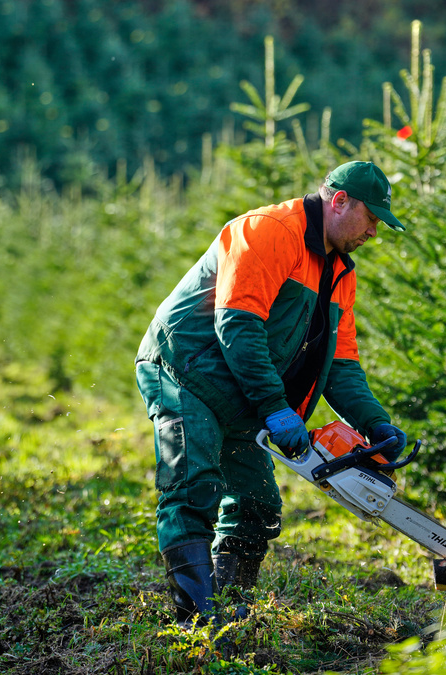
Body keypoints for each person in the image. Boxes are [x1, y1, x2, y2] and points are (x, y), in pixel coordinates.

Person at [134, 160, 409, 625]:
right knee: (193, 484)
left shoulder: (340, 271)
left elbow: (340, 364)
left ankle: (227, 612)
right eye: (372, 218)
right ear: (340, 201)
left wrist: (374, 423)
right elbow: (238, 326)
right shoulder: (268, 231)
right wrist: (276, 409)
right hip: (185, 369)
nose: (374, 233)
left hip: (242, 391)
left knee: (257, 505)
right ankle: (195, 622)